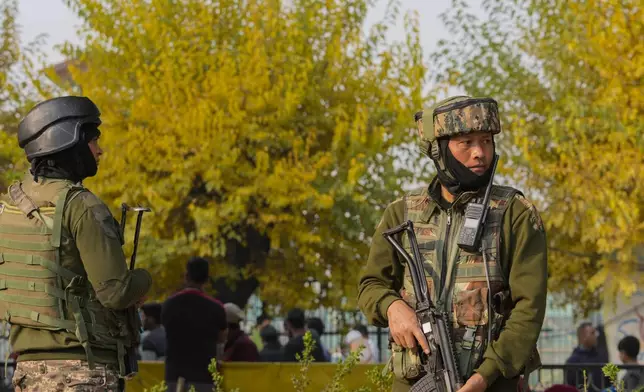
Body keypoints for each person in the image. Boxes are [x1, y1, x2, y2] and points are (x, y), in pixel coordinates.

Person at [357, 96, 548, 392]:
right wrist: (392, 306)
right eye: (466, 143)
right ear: (439, 150)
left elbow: (529, 308)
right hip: (414, 380)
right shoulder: (402, 212)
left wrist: (485, 375)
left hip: (490, 384)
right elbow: (370, 284)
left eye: (486, 141)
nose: (480, 153)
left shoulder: (515, 213)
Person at [0, 96, 152, 391]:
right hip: (81, 372)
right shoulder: (80, 204)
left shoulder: (8, 209)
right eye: (93, 140)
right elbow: (115, 292)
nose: (99, 150)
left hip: (27, 373)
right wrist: (145, 280)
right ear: (68, 140)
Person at [162, 257, 228, 392]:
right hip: (204, 379)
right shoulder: (217, 308)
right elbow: (221, 339)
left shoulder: (169, 305)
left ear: (186, 276)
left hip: (175, 377)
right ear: (207, 279)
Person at [565, 322, 608, 389]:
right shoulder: (573, 361)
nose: (596, 336)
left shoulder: (600, 357)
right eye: (592, 333)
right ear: (583, 336)